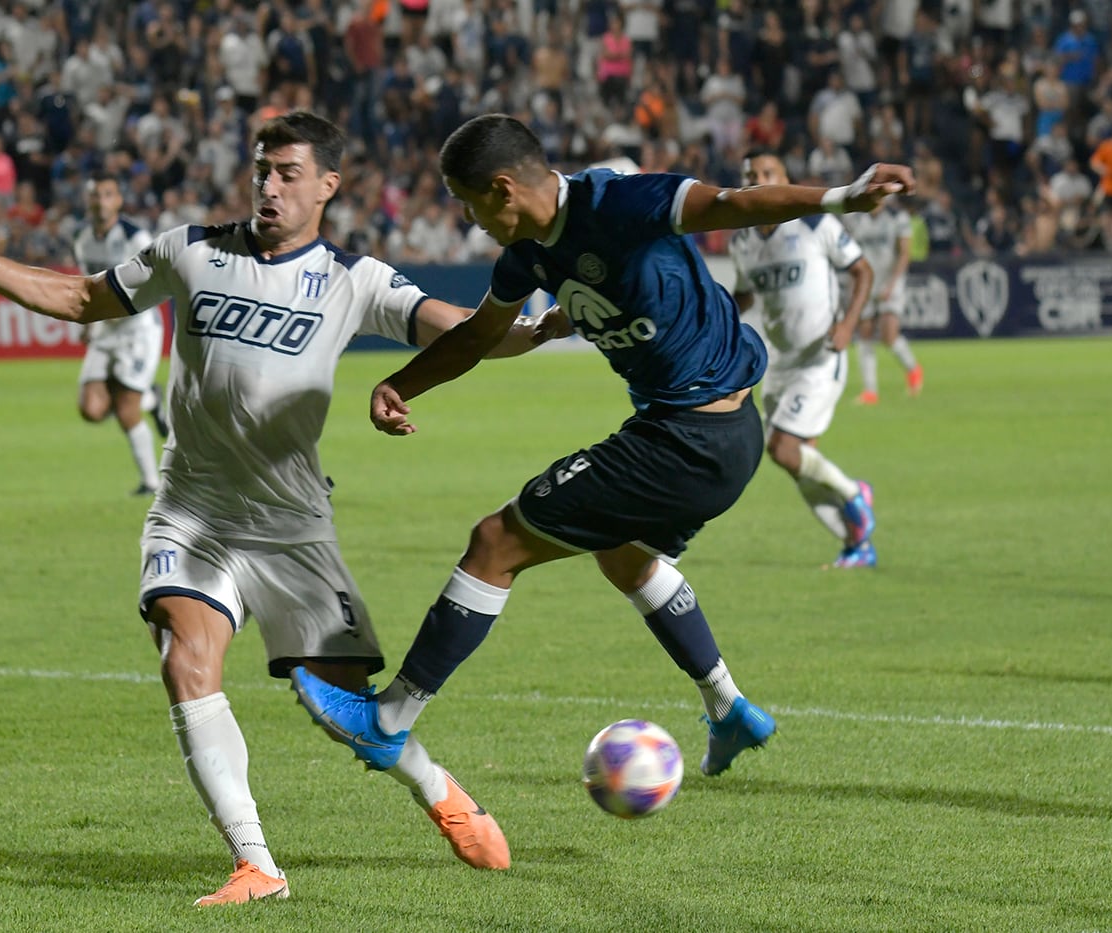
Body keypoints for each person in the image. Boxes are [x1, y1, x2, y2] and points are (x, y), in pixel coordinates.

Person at [0, 112, 566, 907]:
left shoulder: (356, 279)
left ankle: (438, 786)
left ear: (327, 186)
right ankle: (256, 864)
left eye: (287, 172)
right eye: (261, 170)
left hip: (293, 526)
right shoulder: (192, 249)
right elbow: (82, 297)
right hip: (192, 510)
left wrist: (535, 330)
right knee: (184, 654)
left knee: (342, 708)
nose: (269, 185)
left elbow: (459, 330)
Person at [292, 115, 912, 796]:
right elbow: (477, 337)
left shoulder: (618, 202)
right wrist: (400, 384)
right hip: (721, 436)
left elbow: (731, 204)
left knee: (496, 541)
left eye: (469, 204)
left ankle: (388, 717)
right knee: (626, 557)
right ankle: (728, 707)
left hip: (688, 438)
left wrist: (840, 197)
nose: (470, 221)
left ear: (503, 189)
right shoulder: (528, 254)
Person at [729, 150, 878, 569]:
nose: (759, 179)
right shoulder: (742, 239)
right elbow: (745, 295)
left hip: (820, 356)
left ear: (785, 176)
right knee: (799, 465)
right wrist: (713, 315)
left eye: (768, 172)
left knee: (783, 449)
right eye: (751, 175)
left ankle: (853, 494)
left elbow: (862, 270)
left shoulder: (815, 223)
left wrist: (848, 324)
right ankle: (856, 545)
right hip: (780, 363)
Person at [72, 174, 170, 495]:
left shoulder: (134, 237)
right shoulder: (82, 238)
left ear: (117, 201)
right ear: (88, 201)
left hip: (138, 329)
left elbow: (156, 279)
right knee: (91, 409)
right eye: (95, 194)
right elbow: (88, 283)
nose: (100, 200)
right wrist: (88, 324)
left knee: (127, 409)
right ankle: (152, 399)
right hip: (106, 329)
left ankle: (151, 483)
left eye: (107, 194)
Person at [841, 197, 923, 404]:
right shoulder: (855, 219)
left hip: (890, 282)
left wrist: (892, 284)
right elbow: (851, 254)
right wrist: (855, 284)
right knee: (865, 333)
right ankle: (870, 391)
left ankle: (913, 369)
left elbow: (905, 253)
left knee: (888, 335)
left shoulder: (898, 217)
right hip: (867, 282)